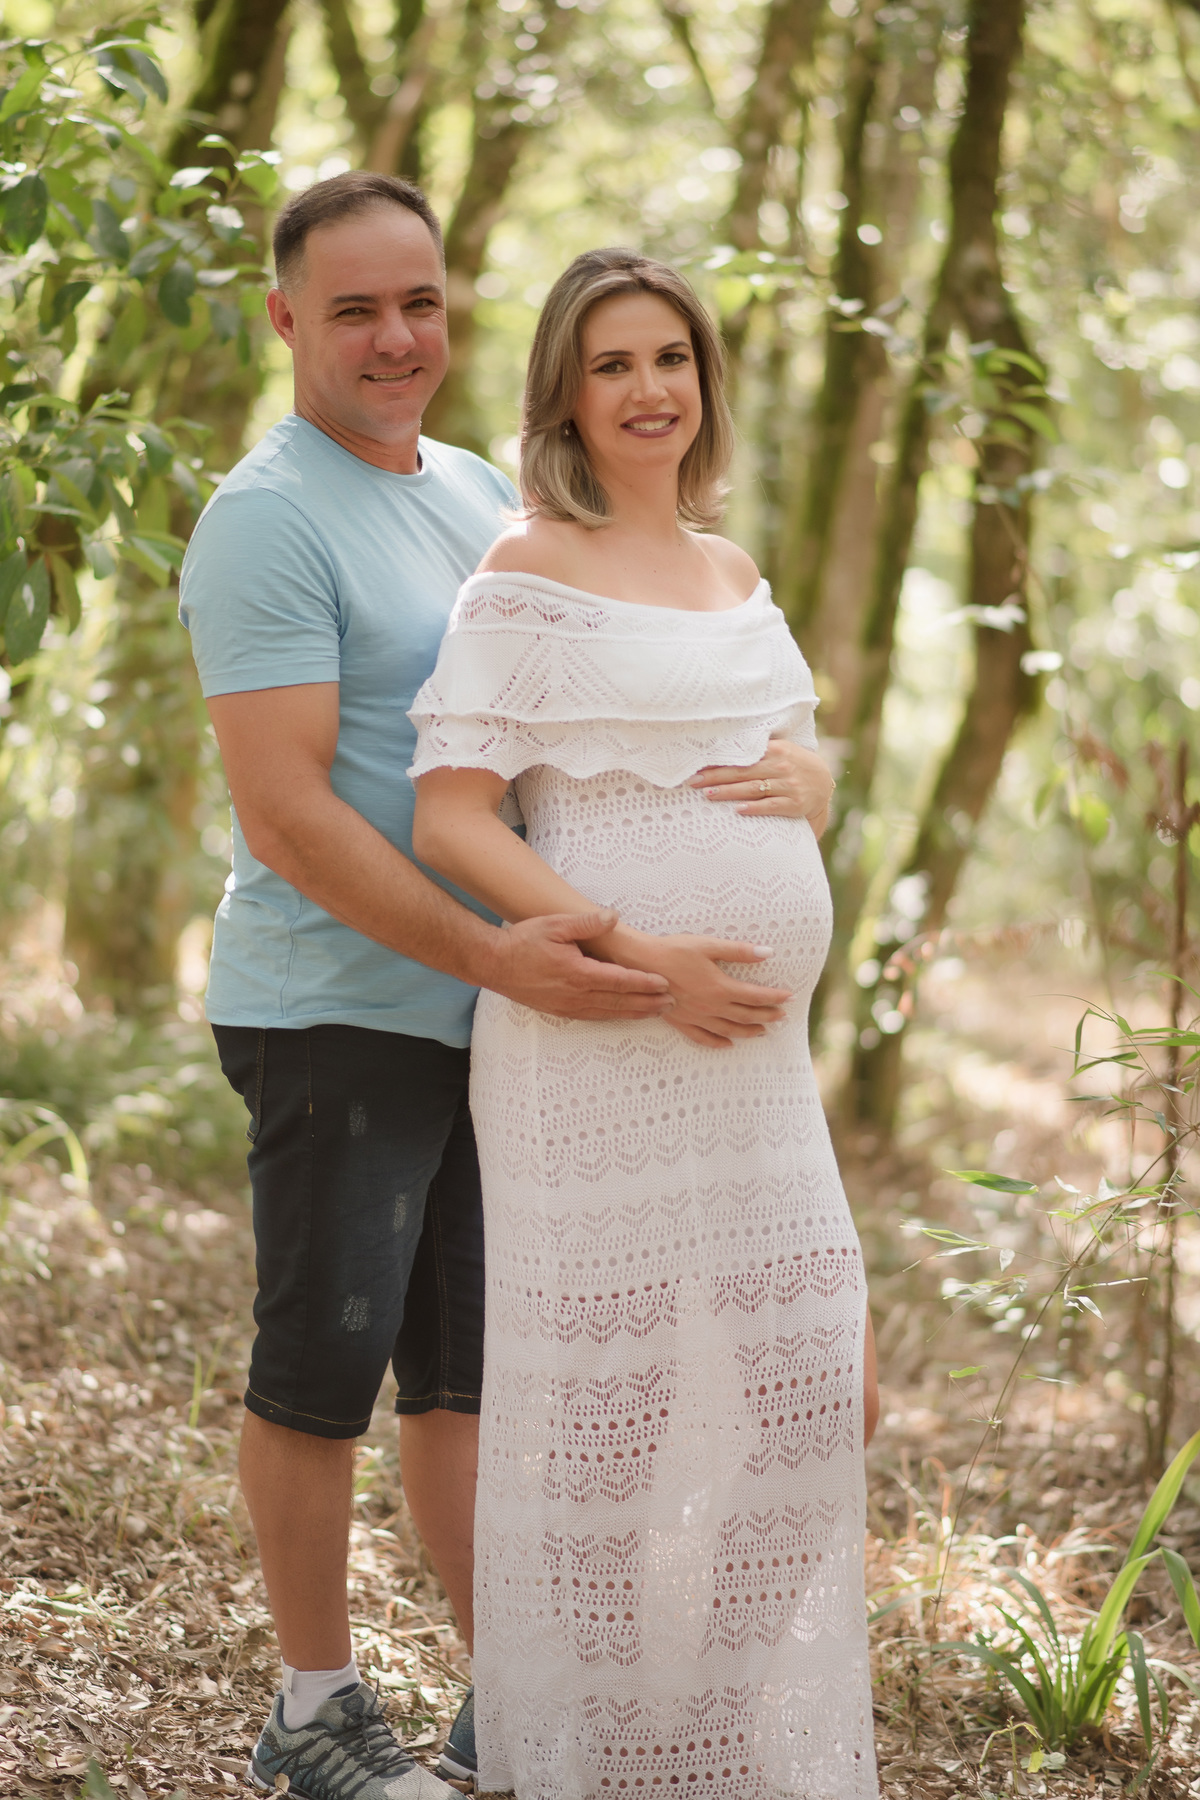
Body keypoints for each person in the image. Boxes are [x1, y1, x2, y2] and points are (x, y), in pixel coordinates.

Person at [178, 176, 835, 1800]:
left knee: (477, 1377)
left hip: (510, 1017)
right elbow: (290, 808)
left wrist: (799, 771)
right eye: (353, 310)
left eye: (421, 304)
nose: (397, 339)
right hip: (341, 1001)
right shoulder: (268, 515)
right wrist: (507, 948)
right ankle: (314, 1712)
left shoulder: (474, 488)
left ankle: (518, 1699)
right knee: (322, 1371)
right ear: (284, 320)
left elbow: (617, 686)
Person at [410, 248, 880, 1800]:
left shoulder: (739, 574)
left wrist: (817, 782)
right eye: (612, 364)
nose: (648, 389)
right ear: (565, 392)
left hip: (758, 1074)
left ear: (704, 378)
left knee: (816, 1389)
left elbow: (794, 761)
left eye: (669, 357)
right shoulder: (523, 571)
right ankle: (596, 1751)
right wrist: (634, 952)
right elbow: (454, 819)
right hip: (598, 1041)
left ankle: (722, 1716)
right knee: (607, 1411)